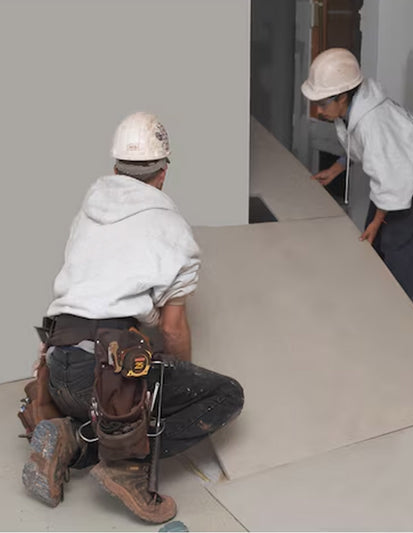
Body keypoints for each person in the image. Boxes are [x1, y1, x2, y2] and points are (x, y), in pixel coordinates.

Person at [22, 112, 244, 523]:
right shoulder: (172, 230)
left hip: (55, 366)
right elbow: (172, 330)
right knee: (227, 395)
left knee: (112, 390)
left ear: (115, 170)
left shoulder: (86, 212)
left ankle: (67, 436)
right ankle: (122, 464)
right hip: (104, 378)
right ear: (163, 174)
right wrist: (178, 381)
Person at [301, 48, 413, 299]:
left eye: (322, 103)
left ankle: (399, 311)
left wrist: (377, 220)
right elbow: (362, 148)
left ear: (342, 96)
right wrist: (336, 169)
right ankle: (377, 302)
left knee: (399, 250)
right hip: (395, 176)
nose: (318, 111)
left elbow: (392, 175)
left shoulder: (373, 122)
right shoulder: (352, 108)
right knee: (375, 242)